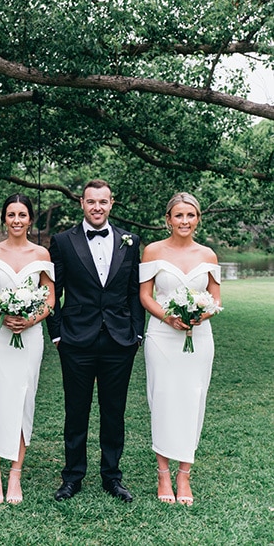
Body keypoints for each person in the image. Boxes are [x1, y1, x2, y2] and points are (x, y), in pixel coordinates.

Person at [46, 179, 144, 503]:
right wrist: (57, 332)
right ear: (82, 204)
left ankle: (112, 477)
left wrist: (137, 334)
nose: (97, 207)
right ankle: (72, 476)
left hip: (119, 341)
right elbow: (52, 292)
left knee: (114, 412)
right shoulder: (61, 241)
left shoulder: (130, 241)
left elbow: (134, 292)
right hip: (76, 340)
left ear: (111, 203)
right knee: (76, 412)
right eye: (91, 202)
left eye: (103, 201)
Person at [139, 192, 221, 506]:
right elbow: (146, 295)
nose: (184, 221)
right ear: (168, 219)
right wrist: (168, 318)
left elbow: (216, 299)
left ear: (198, 219)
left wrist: (203, 313)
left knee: (193, 400)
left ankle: (184, 473)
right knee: (161, 399)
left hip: (199, 339)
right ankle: (163, 473)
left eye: (190, 215)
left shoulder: (208, 255)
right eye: (178, 216)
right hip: (162, 335)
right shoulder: (153, 251)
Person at [0, 194, 55, 504]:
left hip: (30, 337)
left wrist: (32, 319)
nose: (17, 220)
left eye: (22, 214)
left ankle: (15, 476)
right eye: (11, 214)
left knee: (23, 401)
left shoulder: (42, 253)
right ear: (4, 219)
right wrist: (0, 315)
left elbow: (49, 297)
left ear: (30, 219)